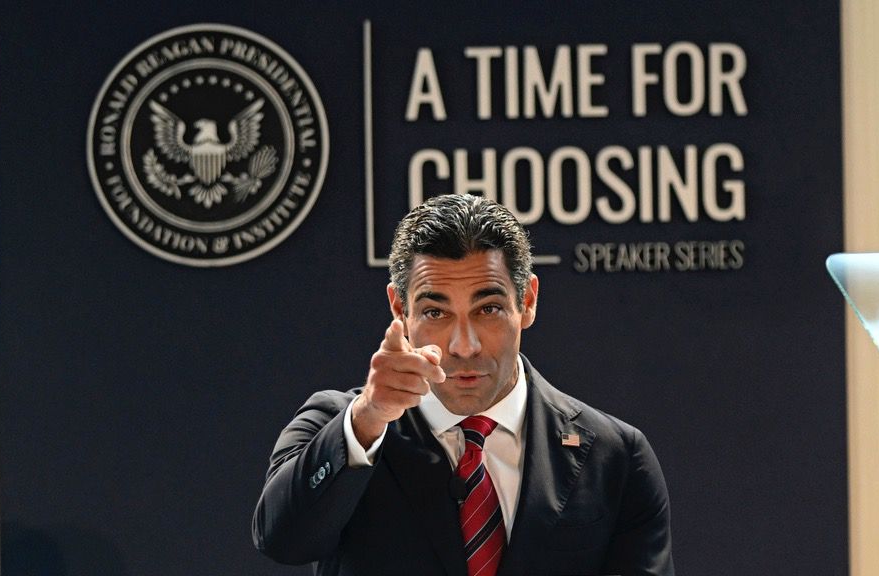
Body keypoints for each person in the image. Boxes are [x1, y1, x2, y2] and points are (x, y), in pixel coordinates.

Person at [253, 194, 674, 576]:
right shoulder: (343, 427)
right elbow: (282, 539)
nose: (464, 345)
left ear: (526, 301)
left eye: (488, 308)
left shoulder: (614, 455)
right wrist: (368, 418)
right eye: (436, 313)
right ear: (400, 309)